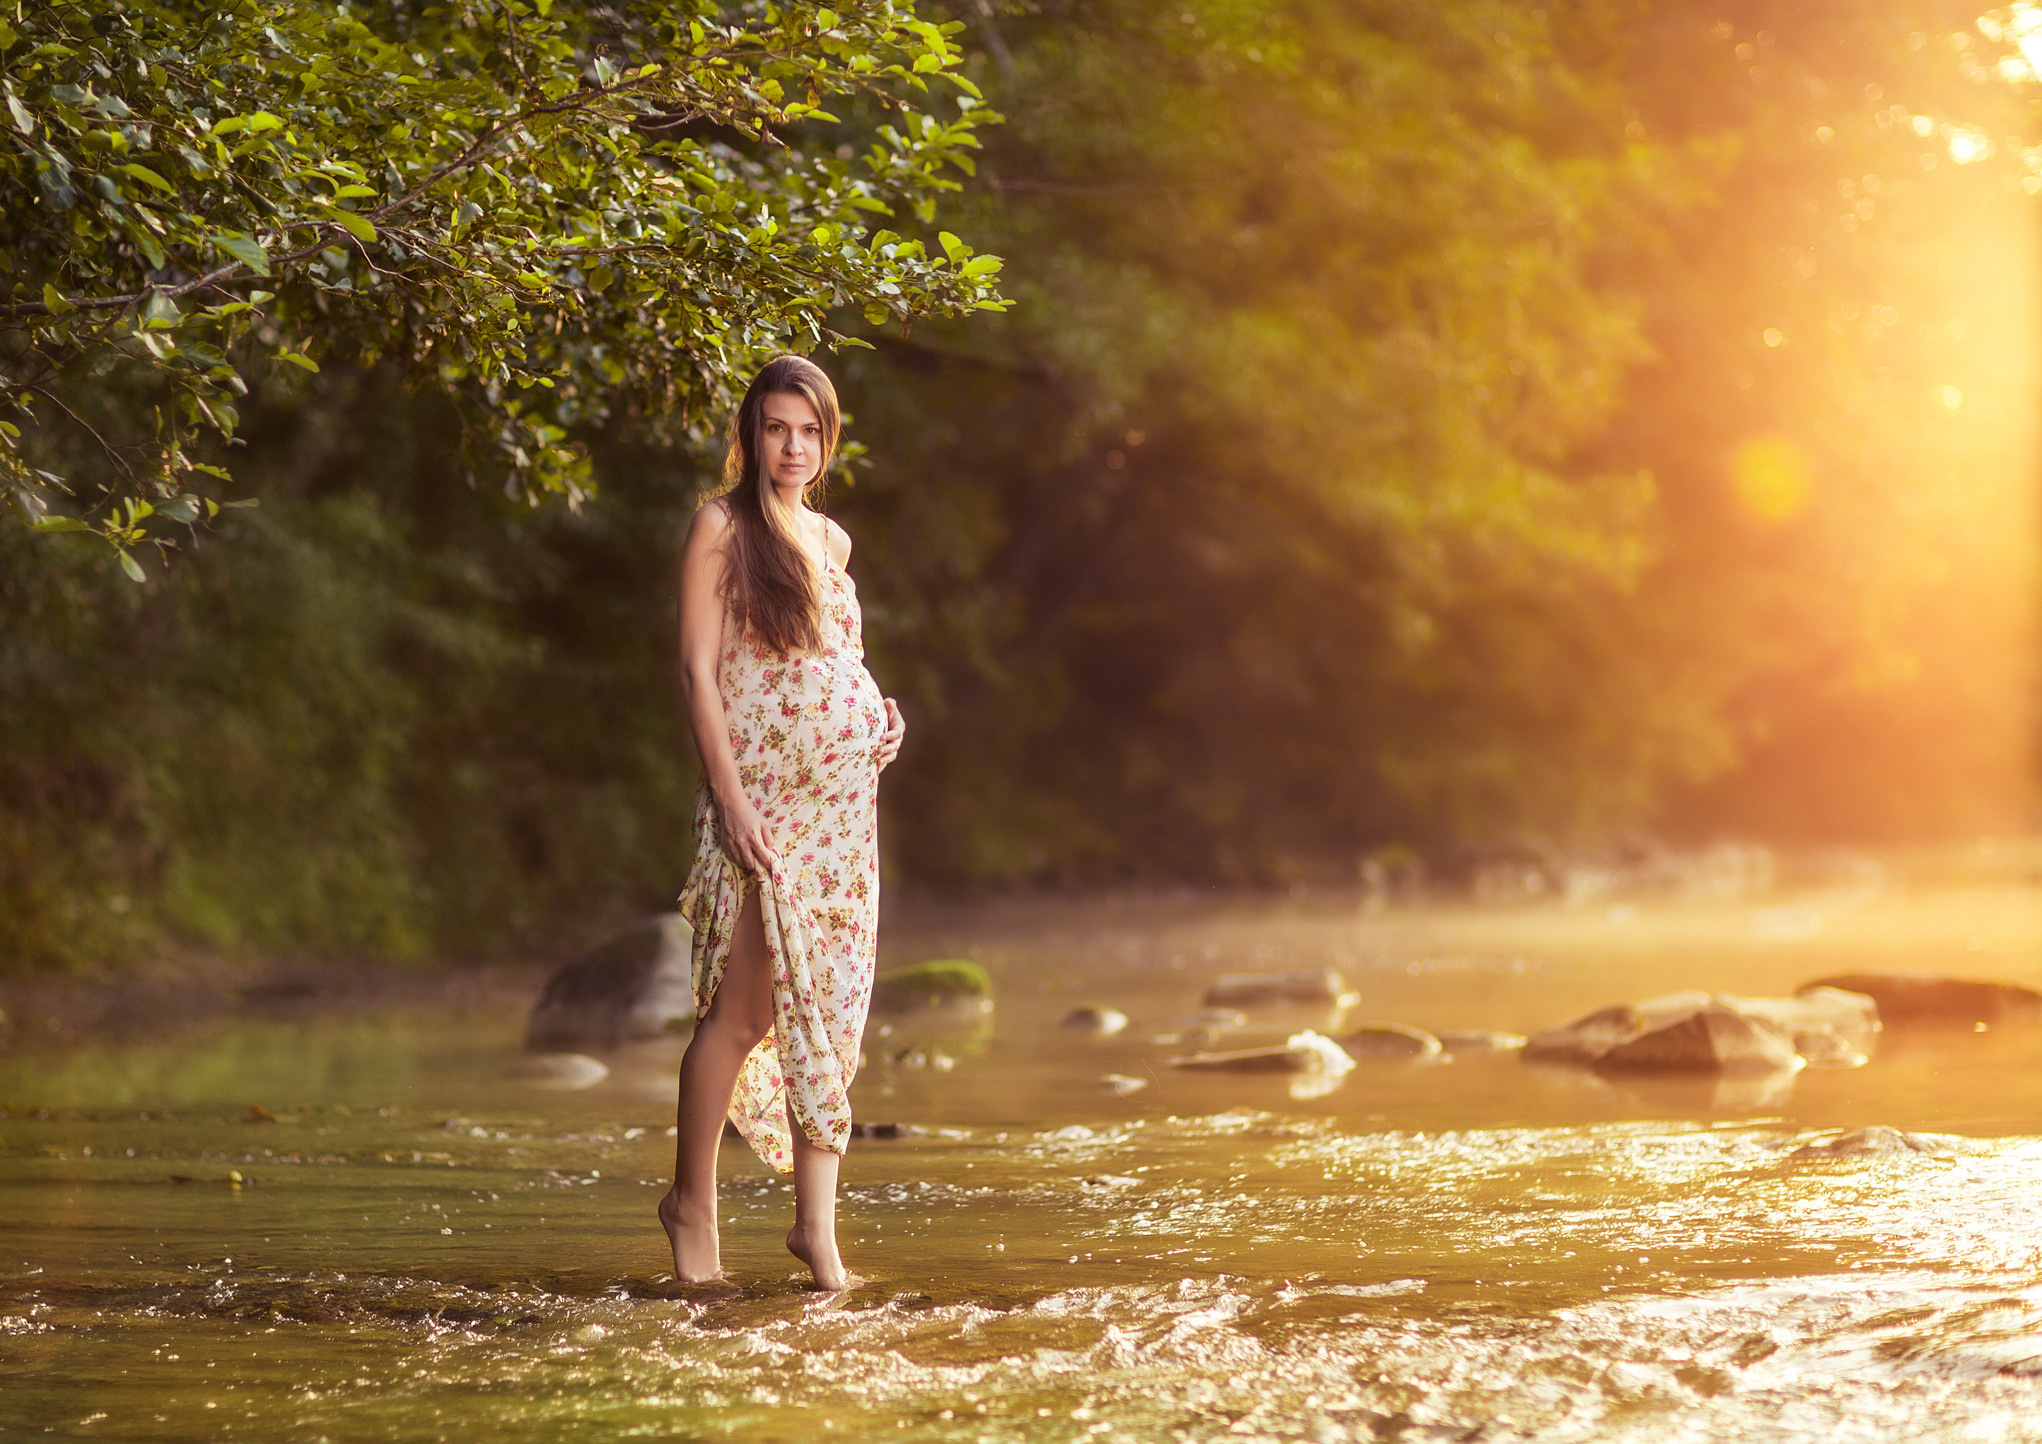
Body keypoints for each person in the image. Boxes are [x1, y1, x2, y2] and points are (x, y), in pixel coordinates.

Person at [658, 355, 905, 1290]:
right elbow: (698, 671)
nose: (793, 447)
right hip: (762, 804)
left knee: (829, 1005)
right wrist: (730, 802)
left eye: (809, 430)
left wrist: (879, 718)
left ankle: (816, 1231)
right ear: (751, 435)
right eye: (776, 428)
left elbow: (836, 662)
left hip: (842, 812)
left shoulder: (832, 541)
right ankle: (691, 1204)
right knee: (742, 1013)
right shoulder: (721, 528)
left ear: (828, 439)